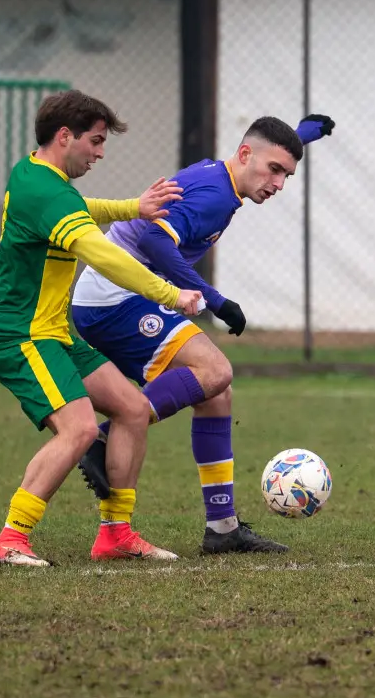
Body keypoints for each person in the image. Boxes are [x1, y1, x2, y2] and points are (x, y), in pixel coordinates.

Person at [70, 114, 336, 558]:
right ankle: (107, 434)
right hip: (113, 296)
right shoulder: (215, 195)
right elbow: (157, 241)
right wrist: (215, 300)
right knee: (215, 369)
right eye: (275, 171)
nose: (279, 184)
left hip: (126, 292)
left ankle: (222, 527)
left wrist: (303, 134)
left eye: (287, 175)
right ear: (246, 156)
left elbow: (264, 147)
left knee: (217, 394)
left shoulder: (227, 173)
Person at [0, 89, 203, 568]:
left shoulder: (39, 176)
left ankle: (115, 534)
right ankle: (10, 537)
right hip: (19, 334)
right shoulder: (44, 190)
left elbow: (82, 208)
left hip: (53, 333)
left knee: (133, 408)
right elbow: (100, 253)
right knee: (79, 430)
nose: (100, 152)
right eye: (96, 141)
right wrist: (170, 295)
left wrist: (132, 208)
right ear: (65, 136)